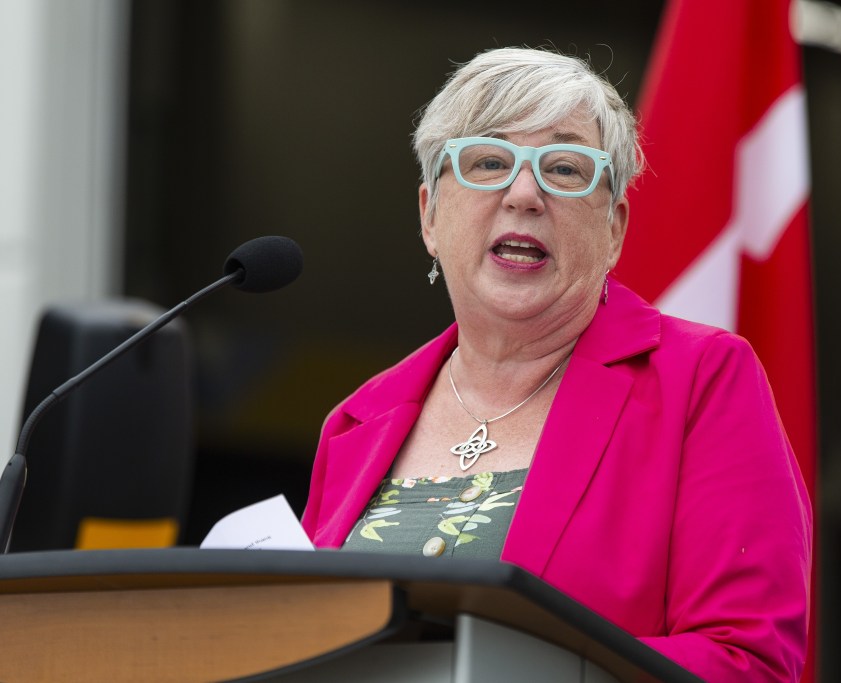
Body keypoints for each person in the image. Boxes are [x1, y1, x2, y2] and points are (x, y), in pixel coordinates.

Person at [301, 47, 811, 682]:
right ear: (430, 214)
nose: (523, 194)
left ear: (615, 227)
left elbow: (748, 661)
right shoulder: (358, 420)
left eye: (565, 169)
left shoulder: (702, 381)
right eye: (488, 162)